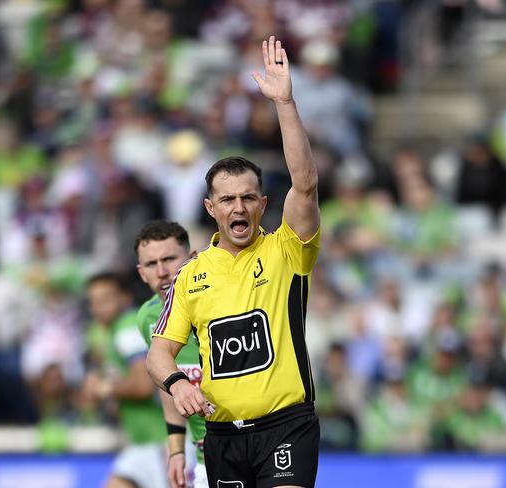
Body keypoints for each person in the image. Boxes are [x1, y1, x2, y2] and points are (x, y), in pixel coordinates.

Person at [146, 35, 321, 488]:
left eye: (247, 198)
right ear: (211, 208)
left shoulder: (287, 248)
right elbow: (159, 353)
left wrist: (284, 103)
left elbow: (304, 184)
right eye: (227, 199)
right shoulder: (191, 274)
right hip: (222, 437)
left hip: (287, 426)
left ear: (263, 204)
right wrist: (177, 386)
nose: (238, 208)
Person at [134, 220, 208, 488]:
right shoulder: (147, 318)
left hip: (254, 442)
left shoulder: (218, 302)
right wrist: (176, 450)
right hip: (205, 456)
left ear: (191, 259)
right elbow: (168, 386)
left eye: (169, 259)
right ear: (142, 273)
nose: (162, 272)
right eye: (151, 265)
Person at [82, 272, 169, 488]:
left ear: (125, 298)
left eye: (105, 299)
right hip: (147, 441)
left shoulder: (128, 329)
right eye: (93, 302)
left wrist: (102, 388)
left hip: (159, 441)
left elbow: (144, 385)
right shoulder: (111, 333)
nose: (97, 307)